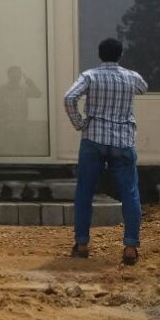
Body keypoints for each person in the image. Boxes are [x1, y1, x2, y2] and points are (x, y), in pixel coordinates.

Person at [63, 38, 147, 265]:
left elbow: (69, 97)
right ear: (120, 55)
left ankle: (82, 244)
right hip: (123, 141)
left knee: (85, 191)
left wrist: (79, 123)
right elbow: (143, 88)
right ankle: (130, 247)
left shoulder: (89, 76)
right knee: (130, 193)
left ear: (99, 55)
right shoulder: (131, 77)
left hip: (94, 139)